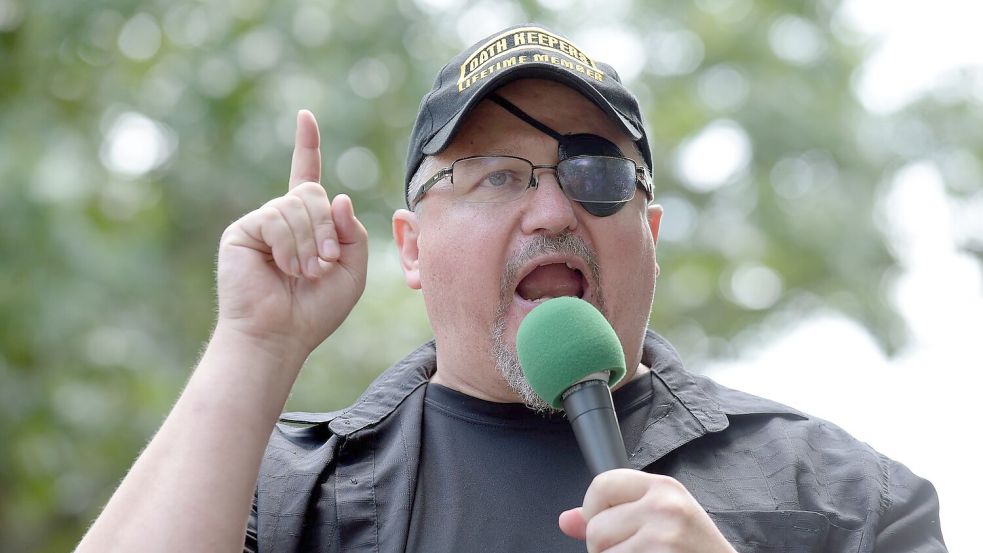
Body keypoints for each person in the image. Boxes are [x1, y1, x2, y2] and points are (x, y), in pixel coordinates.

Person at [77, 24, 946, 552]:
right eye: (495, 175)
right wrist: (253, 344)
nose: (551, 207)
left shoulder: (846, 497)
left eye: (595, 173)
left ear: (648, 235)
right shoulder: (283, 493)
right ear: (410, 248)